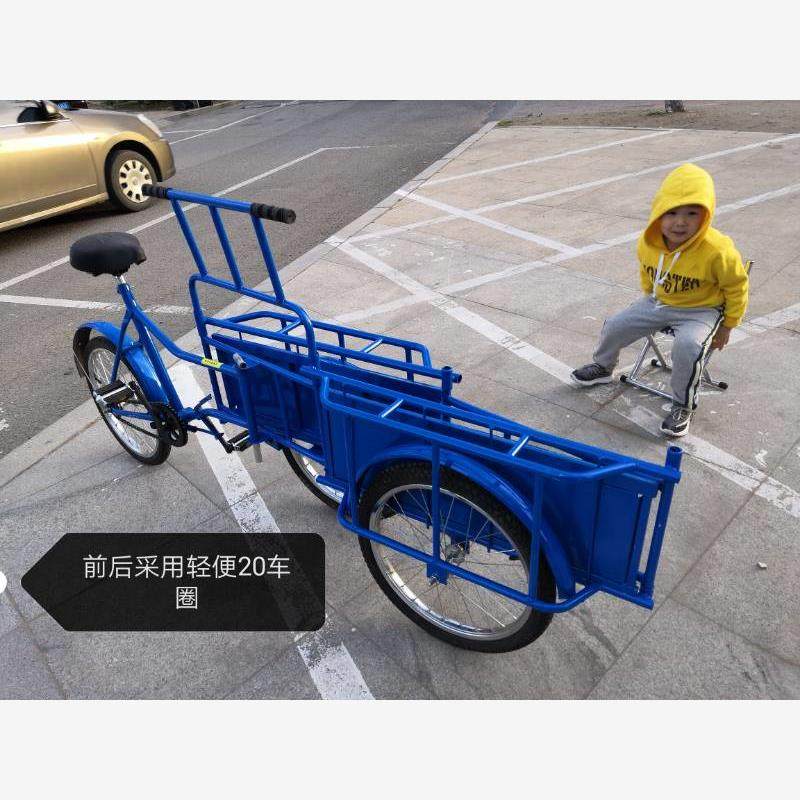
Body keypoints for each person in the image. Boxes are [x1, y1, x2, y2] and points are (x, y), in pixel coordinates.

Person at [571, 163, 749, 437]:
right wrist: (649, 298)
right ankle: (604, 367)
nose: (680, 222)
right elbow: (647, 272)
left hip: (701, 310)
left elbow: (737, 286)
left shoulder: (718, 249)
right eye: (672, 212)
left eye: (692, 213)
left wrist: (728, 325)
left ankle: (683, 405)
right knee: (615, 325)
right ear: (658, 212)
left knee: (688, 346)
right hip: (659, 301)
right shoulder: (648, 241)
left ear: (706, 215)